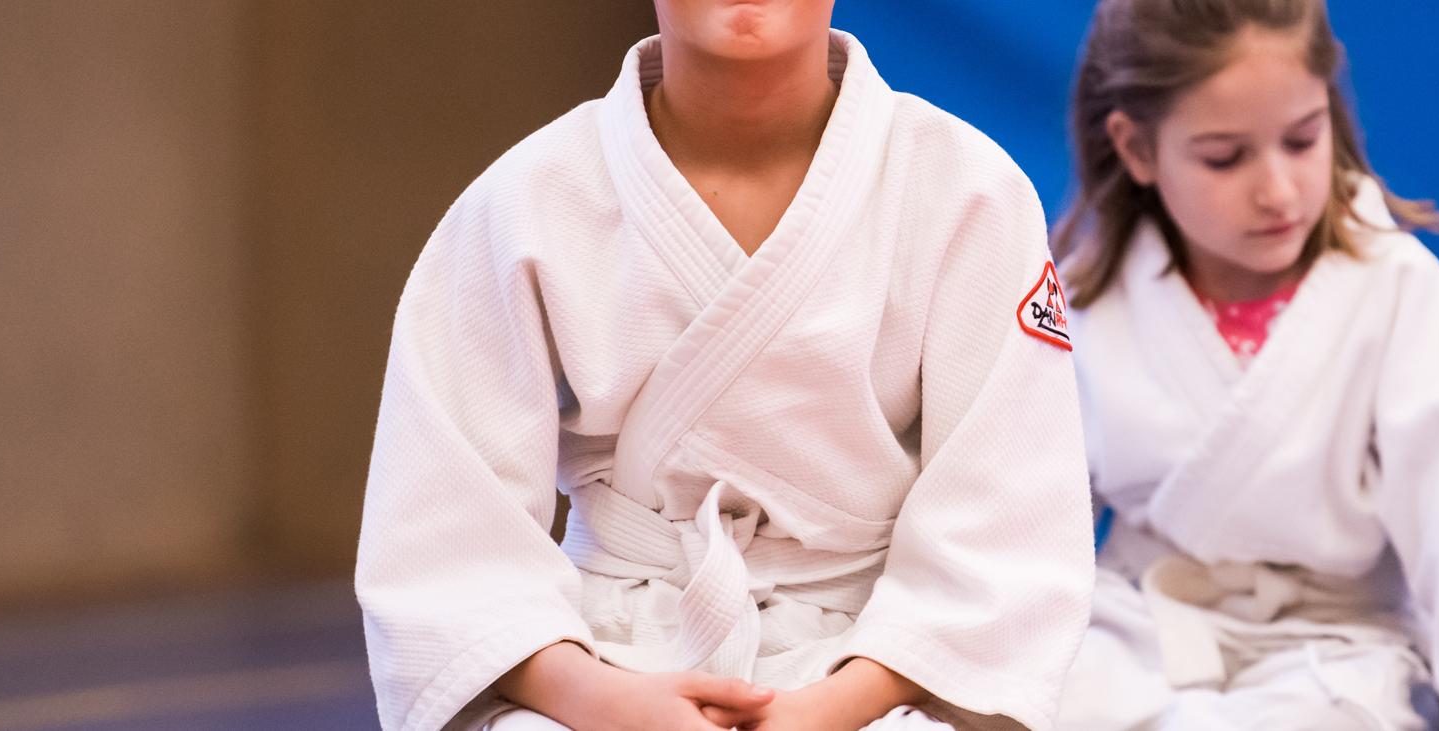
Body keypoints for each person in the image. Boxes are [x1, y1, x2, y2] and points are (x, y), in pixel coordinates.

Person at [356, 2, 1094, 729]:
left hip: (883, 670)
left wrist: (832, 708)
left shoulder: (969, 191)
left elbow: (1005, 530)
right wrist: (604, 703)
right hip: (599, 659)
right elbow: (448, 547)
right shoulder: (525, 198)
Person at [1049, 1, 1439, 729]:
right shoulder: (1088, 301)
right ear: (1138, 148)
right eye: (1225, 157)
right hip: (1139, 627)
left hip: (1336, 649)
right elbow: (1023, 523)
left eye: (1303, 140)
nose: (1277, 190)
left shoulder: (1394, 290)